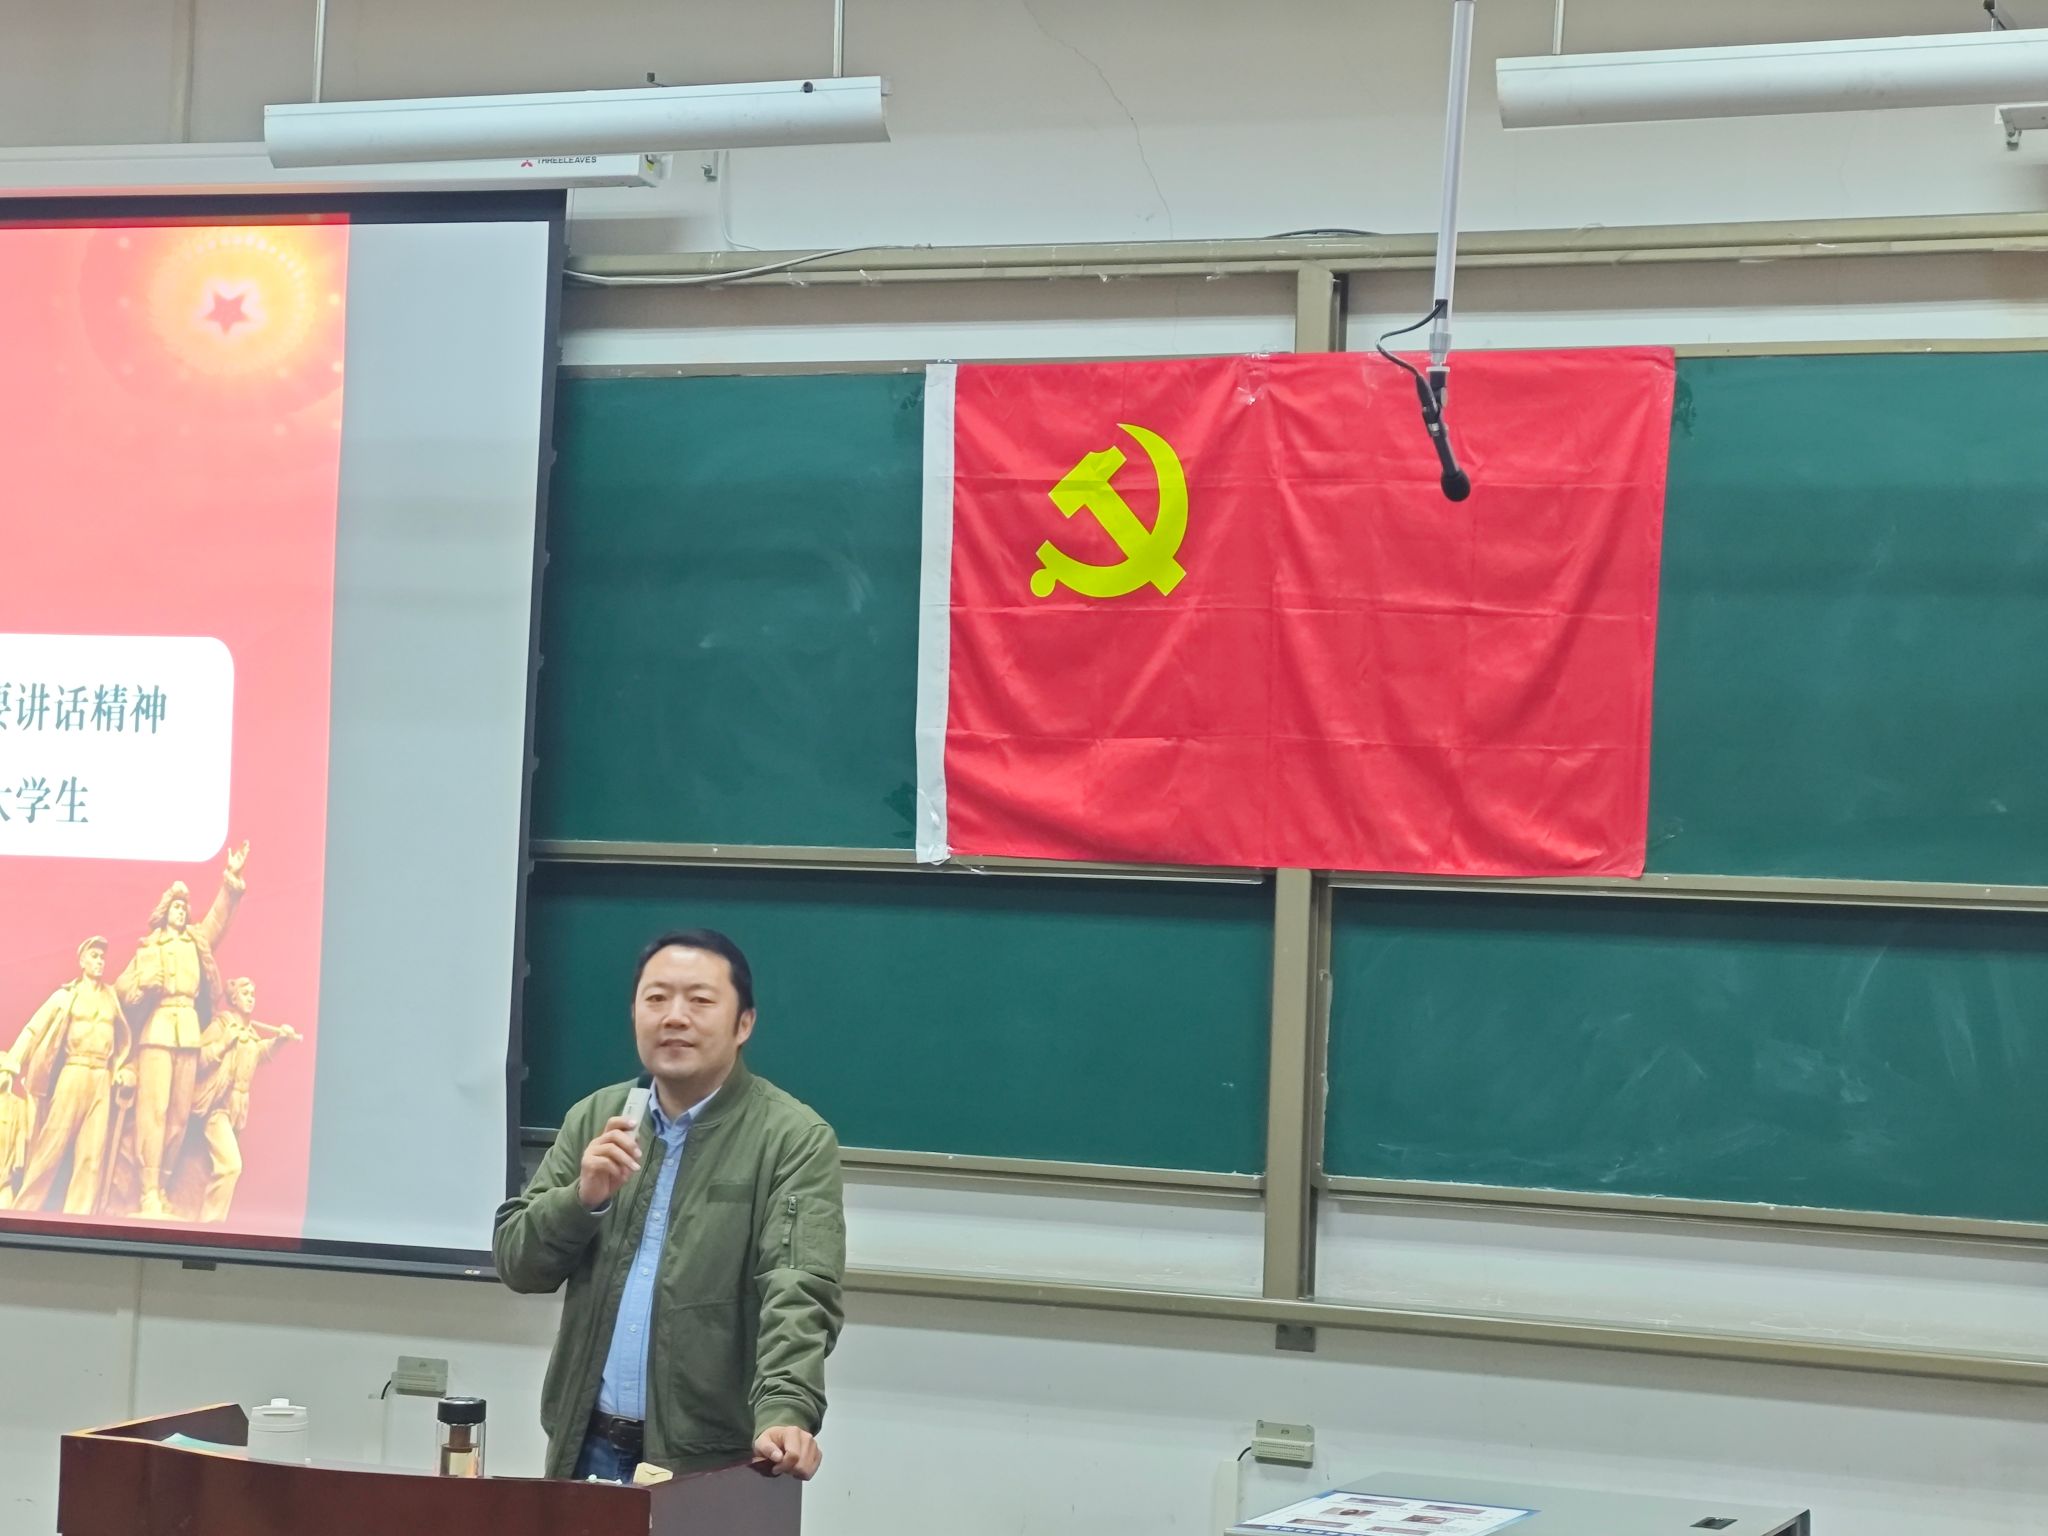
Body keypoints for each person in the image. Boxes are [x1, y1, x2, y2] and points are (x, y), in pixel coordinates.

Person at [494, 928, 845, 1485]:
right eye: (656, 998)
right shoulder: (598, 1116)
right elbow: (519, 1264)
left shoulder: (791, 1138)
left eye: (700, 1000)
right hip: (586, 1445)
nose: (674, 1017)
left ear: (744, 1024)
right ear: (634, 1014)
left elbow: (798, 1287)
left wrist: (786, 1408)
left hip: (711, 1460)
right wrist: (582, 1199)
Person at [115, 841, 248, 1218]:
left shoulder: (195, 941)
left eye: (183, 907)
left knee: (177, 1117)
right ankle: (148, 1192)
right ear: (164, 911)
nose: (180, 911)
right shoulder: (149, 947)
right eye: (174, 906)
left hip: (188, 1033)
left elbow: (217, 920)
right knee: (153, 1114)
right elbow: (122, 989)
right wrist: (143, 985)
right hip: (157, 1033)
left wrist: (231, 879)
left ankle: (164, 1185)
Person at [0, 937, 135, 1214]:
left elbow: (121, 1039)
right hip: (74, 1072)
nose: (100, 961)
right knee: (51, 1146)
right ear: (82, 961)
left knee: (91, 1156)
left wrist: (123, 1069)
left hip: (102, 1077)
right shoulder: (66, 996)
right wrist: (10, 1064)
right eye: (94, 956)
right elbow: (33, 1029)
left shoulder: (111, 997)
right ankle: (24, 1211)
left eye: (102, 957)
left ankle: (79, 1218)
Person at [190, 976, 298, 1223]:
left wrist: (280, 1040)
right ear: (234, 998)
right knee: (231, 1166)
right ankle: (210, 1224)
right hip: (217, 1106)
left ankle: (206, 1221)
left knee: (214, 1168)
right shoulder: (221, 1025)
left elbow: (259, 1054)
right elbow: (198, 1060)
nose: (251, 999)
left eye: (252, 994)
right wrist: (223, 1043)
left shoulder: (249, 1031)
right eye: (245, 994)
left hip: (239, 1110)